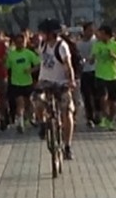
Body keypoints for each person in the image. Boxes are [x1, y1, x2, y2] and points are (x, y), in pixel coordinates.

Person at [33, 18, 76, 160]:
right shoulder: (43, 45)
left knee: (67, 110)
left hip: (61, 83)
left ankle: (67, 145)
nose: (40, 35)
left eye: (43, 32)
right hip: (45, 82)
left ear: (50, 33)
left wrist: (71, 81)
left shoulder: (62, 46)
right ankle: (43, 124)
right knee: (38, 101)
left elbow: (68, 64)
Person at [90, 25, 116, 130]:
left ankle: (110, 119)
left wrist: (113, 56)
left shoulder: (115, 45)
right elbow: (92, 59)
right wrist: (92, 58)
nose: (99, 35)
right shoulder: (97, 45)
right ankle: (105, 117)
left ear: (106, 34)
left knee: (113, 100)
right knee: (103, 97)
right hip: (100, 75)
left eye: (101, 33)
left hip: (113, 75)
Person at [5, 33, 40, 134]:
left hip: (28, 82)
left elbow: (38, 64)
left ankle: (31, 118)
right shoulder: (11, 55)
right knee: (20, 103)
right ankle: (20, 123)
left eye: (22, 42)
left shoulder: (29, 53)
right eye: (18, 42)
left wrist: (31, 70)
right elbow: (7, 67)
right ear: (15, 43)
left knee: (29, 103)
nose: (20, 44)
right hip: (16, 83)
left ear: (25, 43)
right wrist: (4, 59)